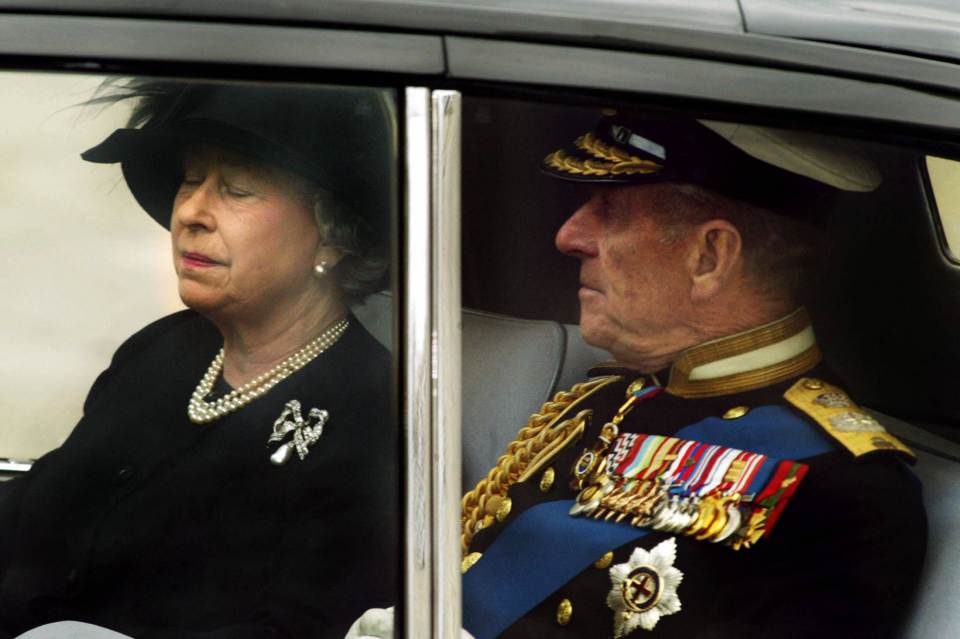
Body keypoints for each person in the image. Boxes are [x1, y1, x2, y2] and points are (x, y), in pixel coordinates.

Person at [348, 114, 926, 639]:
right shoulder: (606, 396)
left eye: (610, 212)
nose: (569, 237)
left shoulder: (841, 490)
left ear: (709, 257)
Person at [0, 80, 399, 638]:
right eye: (191, 179)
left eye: (236, 190)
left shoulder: (375, 415)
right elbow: (35, 512)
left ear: (332, 237)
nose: (190, 210)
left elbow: (301, 626)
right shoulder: (164, 349)